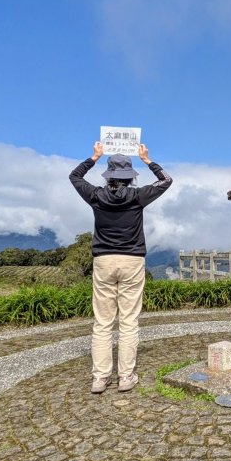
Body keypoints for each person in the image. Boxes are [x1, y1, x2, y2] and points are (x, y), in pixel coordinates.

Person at [69, 142, 172, 393]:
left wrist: (93, 157)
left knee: (102, 322)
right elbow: (167, 180)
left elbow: (74, 176)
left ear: (109, 175)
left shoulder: (95, 195)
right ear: (130, 176)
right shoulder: (138, 196)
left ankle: (100, 378)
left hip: (103, 260)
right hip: (133, 260)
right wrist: (147, 160)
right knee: (128, 321)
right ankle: (126, 377)